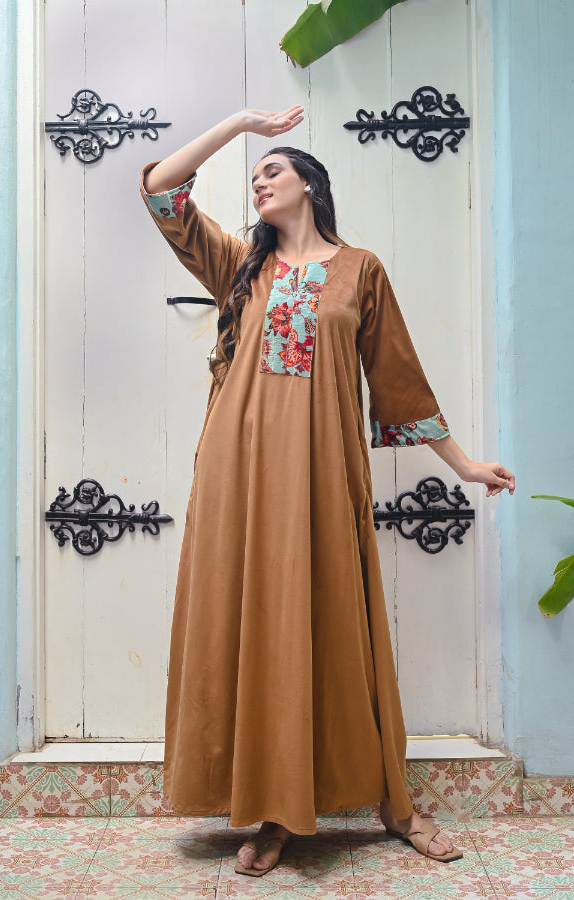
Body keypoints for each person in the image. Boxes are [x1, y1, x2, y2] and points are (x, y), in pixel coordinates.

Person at [140, 106, 515, 877]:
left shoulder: (360, 270)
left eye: (272, 170)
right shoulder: (237, 262)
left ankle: (394, 806)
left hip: (322, 472)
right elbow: (158, 189)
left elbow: (398, 379)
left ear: (310, 184)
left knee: (334, 622)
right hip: (238, 473)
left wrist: (463, 464)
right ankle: (274, 814)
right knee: (253, 623)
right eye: (254, 176)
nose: (258, 182)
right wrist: (242, 126)